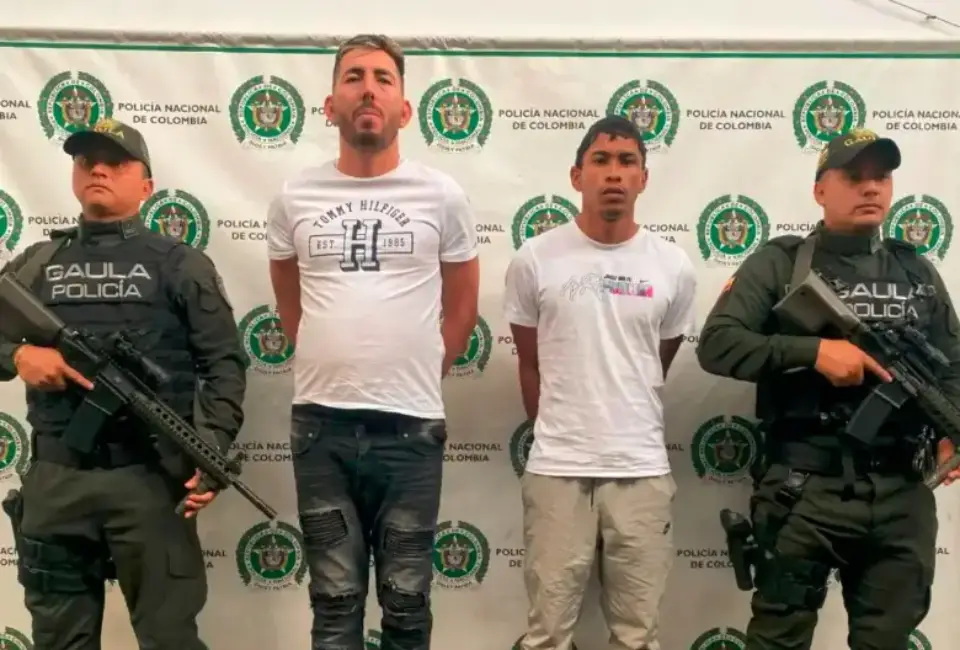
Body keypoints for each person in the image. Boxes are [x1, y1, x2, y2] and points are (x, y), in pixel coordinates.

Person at [696, 128, 960, 649]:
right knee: (778, 638)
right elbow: (718, 344)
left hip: (902, 492)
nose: (871, 187)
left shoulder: (916, 269)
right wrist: (814, 353)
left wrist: (950, 429)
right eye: (854, 176)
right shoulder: (781, 262)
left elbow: (953, 362)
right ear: (820, 190)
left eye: (881, 177)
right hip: (804, 488)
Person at [265, 34, 479, 650]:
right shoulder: (294, 197)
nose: (368, 89)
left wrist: (415, 368)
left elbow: (462, 306)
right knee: (334, 605)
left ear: (404, 110)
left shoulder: (441, 195)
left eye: (384, 79)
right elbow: (290, 305)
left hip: (411, 432)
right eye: (354, 76)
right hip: (320, 430)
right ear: (330, 104)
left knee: (407, 605)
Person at [0, 118, 247, 650]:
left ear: (147, 185)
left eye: (116, 162)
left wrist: (211, 450)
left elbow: (224, 366)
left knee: (168, 638)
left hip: (151, 479)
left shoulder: (181, 265)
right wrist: (17, 354)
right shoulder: (38, 263)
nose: (99, 170)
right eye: (86, 161)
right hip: (58, 479)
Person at [503, 115, 697, 650]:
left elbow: (657, 359)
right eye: (601, 160)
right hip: (557, 470)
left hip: (640, 470)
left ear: (643, 178)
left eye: (627, 161)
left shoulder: (673, 266)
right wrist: (560, 432)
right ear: (577, 175)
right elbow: (530, 363)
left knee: (637, 636)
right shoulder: (535, 259)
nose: (614, 173)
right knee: (548, 635)